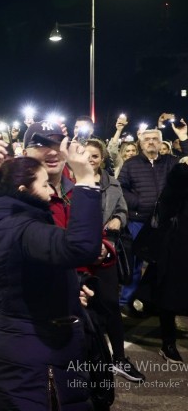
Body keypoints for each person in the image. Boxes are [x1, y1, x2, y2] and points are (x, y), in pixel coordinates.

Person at [0, 147, 103, 410]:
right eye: (45, 185)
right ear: (23, 190)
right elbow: (80, 247)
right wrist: (86, 181)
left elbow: (23, 276)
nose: (52, 192)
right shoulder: (23, 228)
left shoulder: (7, 222)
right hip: (35, 361)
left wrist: (70, 285)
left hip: (16, 349)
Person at [83, 139, 145, 381]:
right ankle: (92, 359)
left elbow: (122, 210)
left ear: (102, 159)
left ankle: (119, 358)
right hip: (78, 253)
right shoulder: (69, 185)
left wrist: (119, 219)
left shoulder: (113, 184)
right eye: (86, 155)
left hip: (106, 253)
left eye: (95, 156)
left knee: (110, 305)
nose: (91, 159)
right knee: (84, 307)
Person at [118, 122, 188, 316]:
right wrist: (138, 201)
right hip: (138, 220)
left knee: (160, 266)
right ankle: (126, 301)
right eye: (147, 139)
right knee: (134, 265)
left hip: (164, 223)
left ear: (160, 142)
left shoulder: (170, 162)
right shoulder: (131, 164)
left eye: (155, 139)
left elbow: (187, 163)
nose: (151, 142)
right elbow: (121, 187)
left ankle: (152, 300)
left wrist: (184, 139)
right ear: (140, 143)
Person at [147, 161, 188, 363]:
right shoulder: (179, 178)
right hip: (176, 246)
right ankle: (168, 343)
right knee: (169, 296)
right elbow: (177, 180)